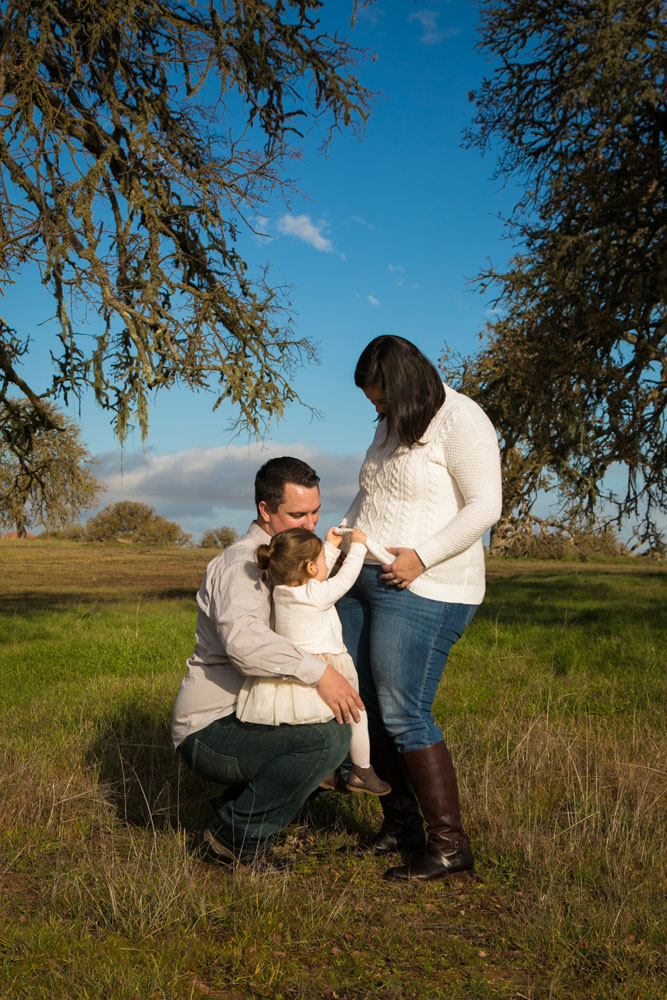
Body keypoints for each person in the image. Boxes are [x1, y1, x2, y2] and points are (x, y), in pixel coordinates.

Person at [336, 335, 502, 882]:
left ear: (404, 386)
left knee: (405, 711)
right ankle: (401, 828)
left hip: (426, 587)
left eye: (380, 399)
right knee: (367, 707)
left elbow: (485, 505)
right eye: (372, 404)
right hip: (365, 574)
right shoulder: (390, 426)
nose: (376, 411)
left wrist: (422, 559)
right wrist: (339, 537)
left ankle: (451, 847)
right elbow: (372, 494)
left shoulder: (462, 419)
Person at [172, 456, 363, 868]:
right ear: (265, 510)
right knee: (327, 741)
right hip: (211, 728)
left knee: (344, 723)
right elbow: (246, 645)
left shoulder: (291, 558)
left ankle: (240, 801)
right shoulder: (240, 566)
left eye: (315, 511)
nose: (310, 523)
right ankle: (234, 835)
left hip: (255, 712)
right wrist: (321, 673)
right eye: (298, 514)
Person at [236, 525, 390, 796]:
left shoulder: (281, 591)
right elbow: (342, 580)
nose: (323, 564)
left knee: (317, 725)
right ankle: (361, 771)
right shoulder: (315, 595)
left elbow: (315, 577)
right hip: (326, 666)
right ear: (308, 568)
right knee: (356, 712)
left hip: (297, 670)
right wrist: (358, 547)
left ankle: (325, 771)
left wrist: (328, 548)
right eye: (320, 560)